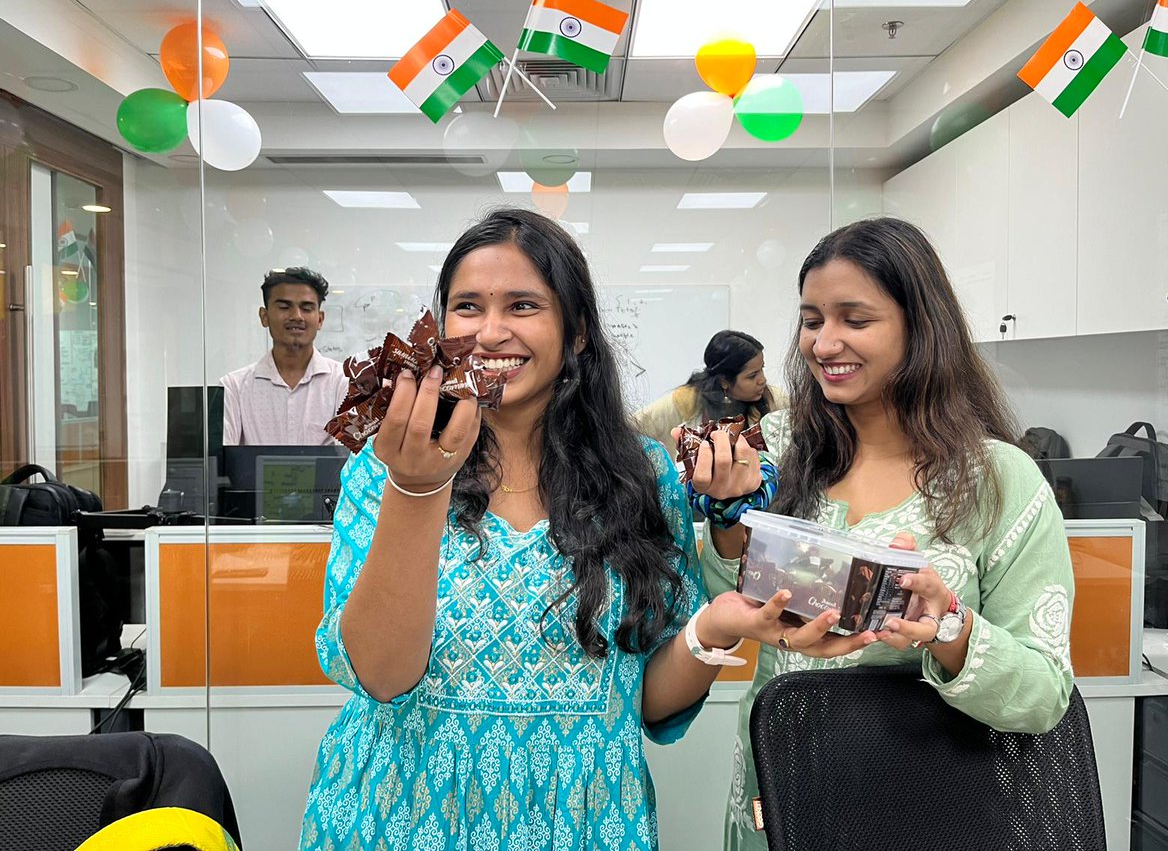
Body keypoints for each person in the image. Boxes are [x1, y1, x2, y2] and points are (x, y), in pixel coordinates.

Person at [299, 209, 789, 850]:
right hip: (400, 814)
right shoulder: (385, 470)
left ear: (578, 332)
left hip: (583, 820)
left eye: (524, 305)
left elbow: (647, 703)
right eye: (467, 306)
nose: (491, 332)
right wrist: (416, 491)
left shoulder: (641, 478)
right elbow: (382, 675)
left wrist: (713, 627)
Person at [691, 217, 1075, 851]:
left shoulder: (998, 481)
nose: (823, 343)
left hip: (929, 805)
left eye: (855, 320)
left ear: (919, 328)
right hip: (782, 802)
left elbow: (1042, 696)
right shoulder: (778, 450)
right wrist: (731, 517)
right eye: (812, 321)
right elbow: (732, 603)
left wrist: (948, 629)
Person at [220, 267, 349, 446]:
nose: (296, 316)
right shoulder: (234, 388)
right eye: (284, 307)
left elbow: (354, 461)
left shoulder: (345, 384)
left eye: (306, 308)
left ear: (320, 319)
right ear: (264, 317)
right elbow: (221, 463)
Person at [632, 330, 782, 450]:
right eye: (752, 376)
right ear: (724, 381)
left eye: (761, 369)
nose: (763, 380)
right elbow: (628, 431)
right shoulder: (686, 403)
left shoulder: (772, 400)